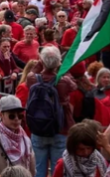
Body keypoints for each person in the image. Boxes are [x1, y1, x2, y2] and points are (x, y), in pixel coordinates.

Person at [30, 46, 74, 177]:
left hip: (38, 127)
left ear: (41, 61)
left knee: (38, 168)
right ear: (58, 62)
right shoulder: (64, 81)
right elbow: (74, 85)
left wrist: (41, 62)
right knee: (57, 168)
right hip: (60, 129)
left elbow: (30, 73)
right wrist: (60, 67)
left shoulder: (32, 79)